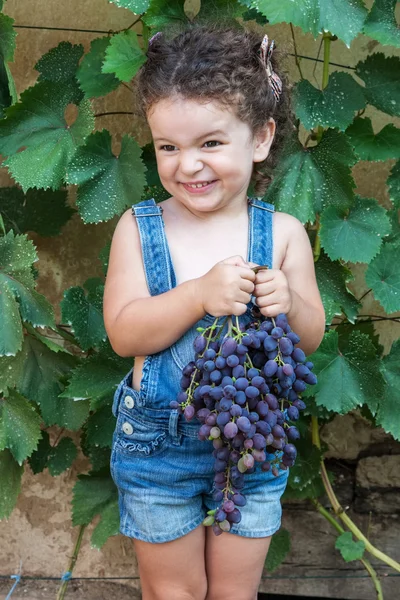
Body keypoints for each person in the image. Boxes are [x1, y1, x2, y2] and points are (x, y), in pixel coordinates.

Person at [103, 24, 325, 600]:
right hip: (157, 442)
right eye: (168, 147)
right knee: (172, 592)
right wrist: (196, 295)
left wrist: (290, 303)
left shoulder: (282, 234)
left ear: (259, 137)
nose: (188, 166)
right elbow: (125, 335)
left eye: (210, 143)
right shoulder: (140, 229)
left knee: (233, 593)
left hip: (251, 443)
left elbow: (312, 337)